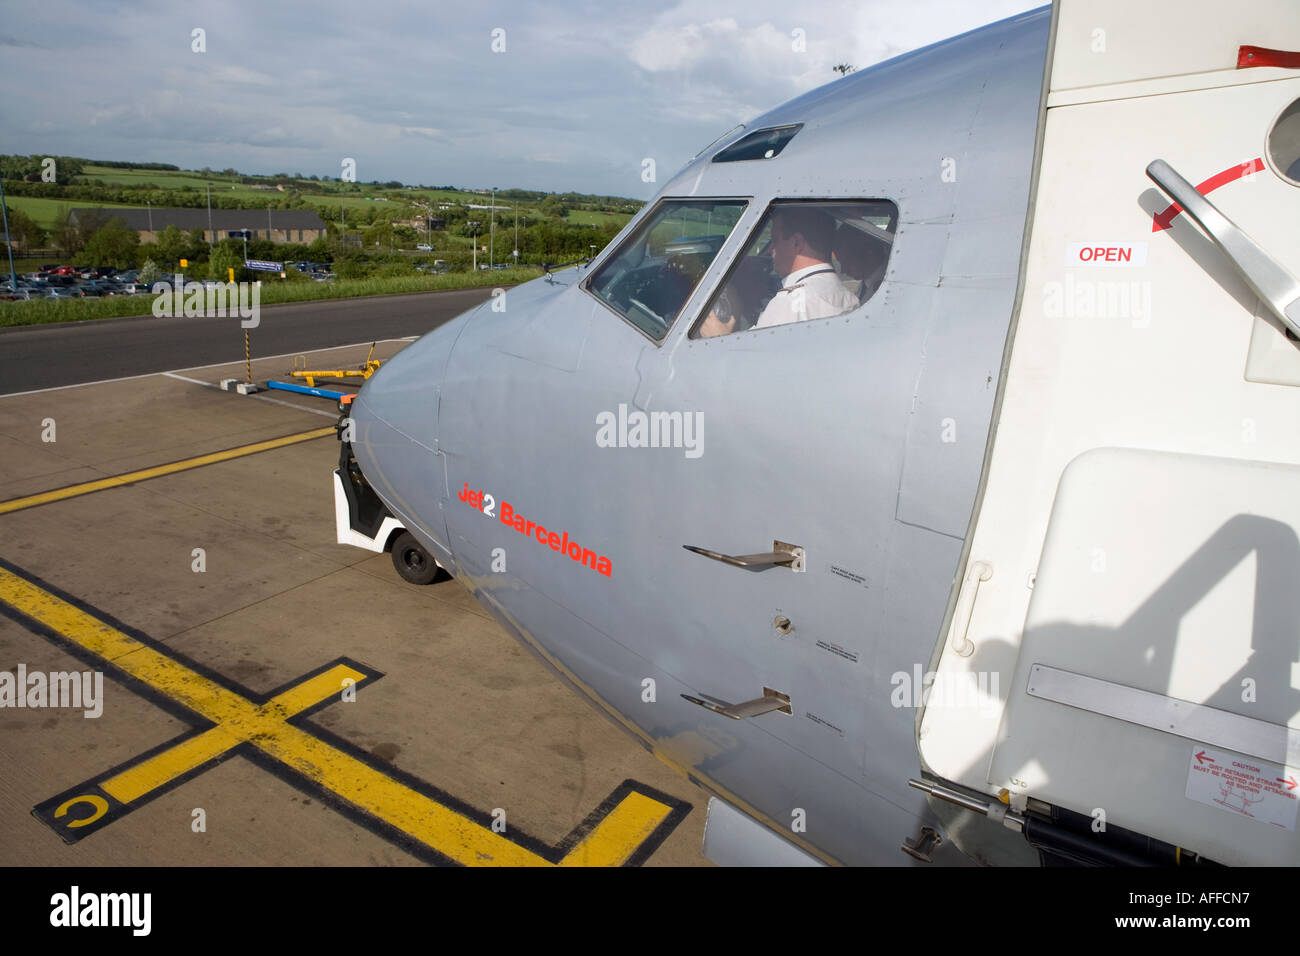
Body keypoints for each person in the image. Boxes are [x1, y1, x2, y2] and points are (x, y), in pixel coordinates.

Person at [752, 206, 858, 329]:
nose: (770, 249)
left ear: (796, 242)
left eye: (775, 240)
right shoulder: (850, 298)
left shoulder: (788, 304)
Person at [833, 222, 890, 301]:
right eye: (841, 262)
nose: (843, 270)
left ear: (869, 252)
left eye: (847, 260)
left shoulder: (887, 288)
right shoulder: (866, 286)